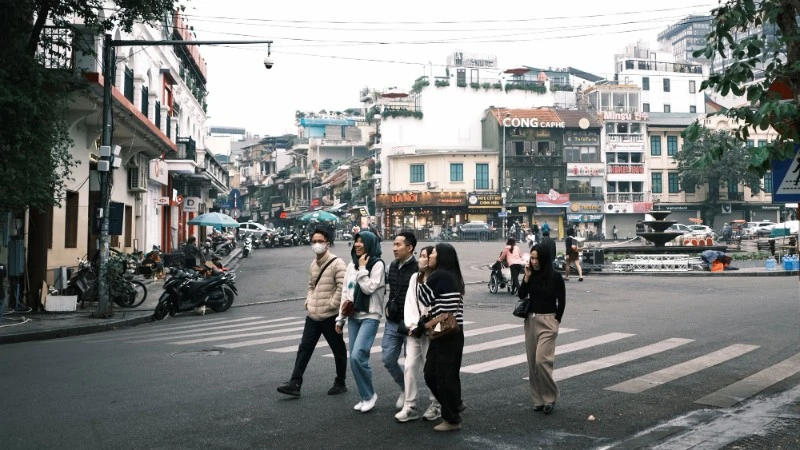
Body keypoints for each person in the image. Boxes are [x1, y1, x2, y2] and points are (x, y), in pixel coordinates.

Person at [277, 229, 348, 398]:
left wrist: (331, 305)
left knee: (338, 350)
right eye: (314, 241)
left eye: (320, 241)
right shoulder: (313, 264)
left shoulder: (338, 263)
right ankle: (295, 383)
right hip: (313, 316)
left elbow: (342, 288)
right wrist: (309, 301)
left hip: (330, 316)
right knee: (304, 349)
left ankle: (340, 382)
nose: (316, 244)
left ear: (327, 244)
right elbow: (311, 286)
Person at [335, 231, 386, 413]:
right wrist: (340, 319)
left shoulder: (377, 264)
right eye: (356, 241)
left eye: (362, 242)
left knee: (358, 355)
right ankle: (366, 396)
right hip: (353, 316)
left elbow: (369, 288)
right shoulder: (351, 266)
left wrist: (363, 269)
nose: (357, 245)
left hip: (370, 316)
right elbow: (346, 293)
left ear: (370, 244)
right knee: (354, 359)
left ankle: (370, 395)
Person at [417, 243, 466, 432]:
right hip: (453, 331)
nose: (430, 255)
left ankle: (452, 418)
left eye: (434, 253)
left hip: (445, 332)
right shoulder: (452, 275)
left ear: (442, 256)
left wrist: (422, 273)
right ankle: (453, 407)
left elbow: (423, 298)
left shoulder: (439, 275)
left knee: (437, 375)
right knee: (444, 375)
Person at [517, 243, 566, 415]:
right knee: (532, 364)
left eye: (537, 258)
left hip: (548, 321)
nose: (534, 261)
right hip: (531, 320)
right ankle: (538, 400)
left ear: (544, 258)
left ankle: (550, 397)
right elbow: (521, 295)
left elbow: (562, 301)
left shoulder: (556, 278)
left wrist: (556, 320)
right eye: (532, 257)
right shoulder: (531, 275)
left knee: (541, 361)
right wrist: (526, 277)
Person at [395, 246, 441, 423]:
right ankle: (410, 406)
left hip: (430, 331)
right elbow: (410, 303)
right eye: (420, 256)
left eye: (425, 256)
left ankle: (436, 404)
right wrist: (412, 326)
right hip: (414, 331)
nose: (421, 259)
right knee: (410, 367)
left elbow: (432, 304)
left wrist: (425, 325)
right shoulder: (415, 277)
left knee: (431, 370)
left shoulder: (437, 278)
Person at [383, 231, 418, 412]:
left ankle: (411, 400)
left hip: (410, 323)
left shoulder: (418, 269)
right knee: (388, 359)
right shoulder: (392, 266)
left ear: (409, 248)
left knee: (410, 363)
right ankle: (404, 388)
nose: (395, 248)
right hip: (393, 321)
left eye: (398, 245)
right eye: (394, 245)